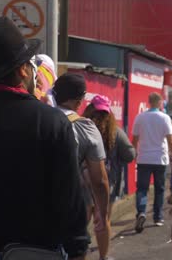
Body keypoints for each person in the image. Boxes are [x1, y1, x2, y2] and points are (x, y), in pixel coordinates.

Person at [0, 17, 88, 259]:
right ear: (23, 69)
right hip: (39, 250)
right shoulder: (52, 122)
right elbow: (70, 200)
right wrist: (78, 248)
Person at [53, 73, 111, 256]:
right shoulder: (85, 127)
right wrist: (102, 213)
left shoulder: (37, 118)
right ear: (80, 100)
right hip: (70, 207)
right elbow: (99, 179)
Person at [82, 94, 136, 260]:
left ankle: (77, 253)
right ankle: (103, 256)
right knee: (103, 220)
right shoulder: (116, 132)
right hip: (106, 183)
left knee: (81, 222)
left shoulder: (81, 128)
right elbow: (129, 155)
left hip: (82, 182)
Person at [132, 92, 172, 232]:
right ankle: (158, 217)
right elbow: (170, 139)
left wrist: (135, 153)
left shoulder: (140, 117)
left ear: (149, 102)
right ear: (159, 102)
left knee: (142, 188)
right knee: (160, 189)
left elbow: (134, 139)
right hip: (160, 159)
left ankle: (141, 212)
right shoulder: (165, 118)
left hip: (144, 158)